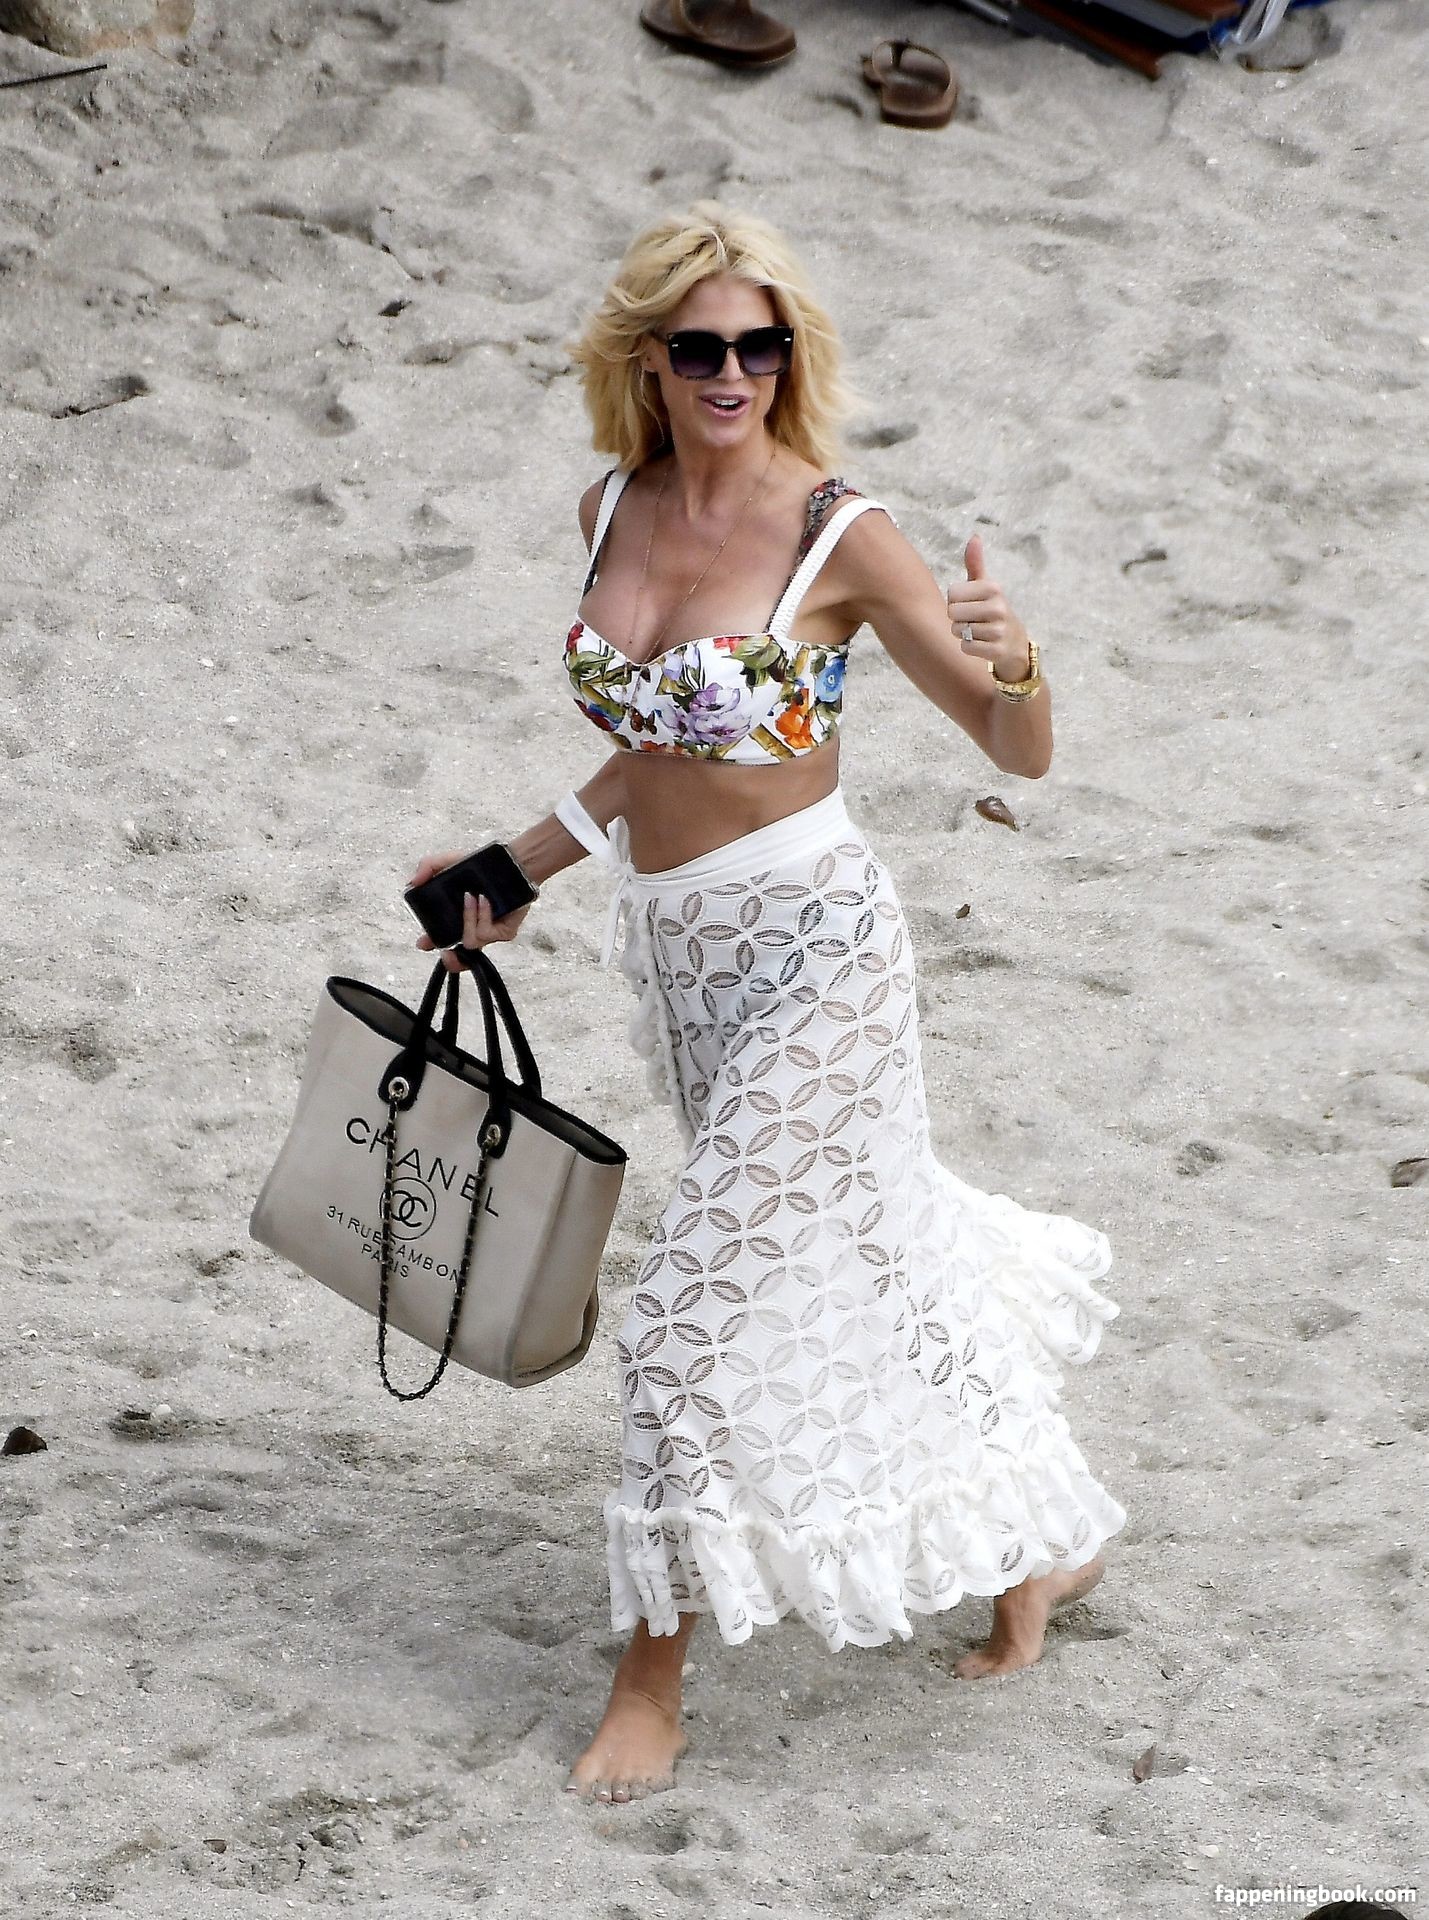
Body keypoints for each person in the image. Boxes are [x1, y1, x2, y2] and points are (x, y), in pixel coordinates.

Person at [407, 203, 1126, 1806]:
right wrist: (513, 869)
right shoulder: (613, 503)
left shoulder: (837, 532)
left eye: (759, 345)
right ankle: (1039, 1542)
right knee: (869, 1242)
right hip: (682, 963)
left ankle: (649, 1686)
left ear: (788, 357)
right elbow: (648, 750)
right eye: (699, 346)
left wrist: (1017, 662)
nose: (730, 372)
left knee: (682, 1314)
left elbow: (1016, 753)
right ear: (646, 359)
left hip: (818, 954)